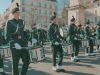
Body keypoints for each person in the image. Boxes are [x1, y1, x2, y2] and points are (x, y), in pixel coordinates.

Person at [4, 3, 37, 75]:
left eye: (19, 12)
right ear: (12, 14)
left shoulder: (22, 22)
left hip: (23, 44)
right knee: (15, 65)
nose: (18, 14)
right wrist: (14, 43)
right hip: (14, 46)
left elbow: (24, 33)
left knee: (26, 62)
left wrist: (30, 38)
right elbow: (7, 36)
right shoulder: (9, 22)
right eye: (16, 13)